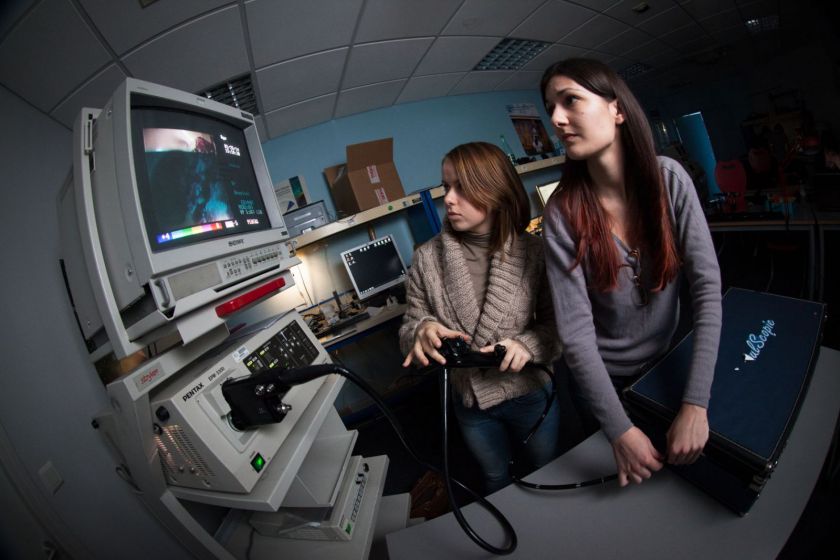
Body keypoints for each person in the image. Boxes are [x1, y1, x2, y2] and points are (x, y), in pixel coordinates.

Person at [539, 58, 722, 487]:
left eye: (570, 101)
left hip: (670, 365)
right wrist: (618, 429)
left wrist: (696, 403)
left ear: (617, 110)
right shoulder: (562, 213)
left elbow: (708, 290)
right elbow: (576, 335)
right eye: (550, 108)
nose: (556, 119)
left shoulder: (669, 179)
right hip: (605, 385)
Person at [399, 141, 560, 493]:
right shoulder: (426, 258)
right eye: (446, 188)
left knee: (547, 472)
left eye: (462, 188)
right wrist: (422, 330)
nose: (449, 200)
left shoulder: (534, 253)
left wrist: (527, 344)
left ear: (496, 191)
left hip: (530, 395)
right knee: (494, 478)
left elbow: (557, 326)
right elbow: (410, 324)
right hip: (470, 404)